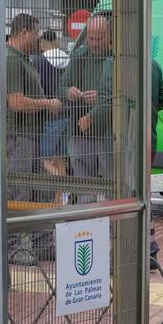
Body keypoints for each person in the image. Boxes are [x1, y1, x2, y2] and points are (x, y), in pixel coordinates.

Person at [86, 55, 163, 269]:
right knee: (142, 193)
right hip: (148, 139)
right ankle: (149, 251)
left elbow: (106, 102)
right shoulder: (153, 64)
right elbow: (162, 100)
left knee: (120, 195)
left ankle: (119, 252)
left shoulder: (112, 63)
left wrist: (89, 118)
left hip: (121, 142)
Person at [5, 13, 62, 264]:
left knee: (41, 187)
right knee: (20, 192)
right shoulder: (11, 60)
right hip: (19, 137)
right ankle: (13, 247)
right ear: (24, 32)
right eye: (36, 33)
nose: (39, 38)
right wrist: (47, 103)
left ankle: (42, 242)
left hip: (32, 136)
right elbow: (16, 102)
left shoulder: (23, 59)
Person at [60, 15, 112, 202]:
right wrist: (69, 92)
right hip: (81, 132)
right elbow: (61, 87)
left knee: (111, 184)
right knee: (84, 187)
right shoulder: (79, 56)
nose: (94, 43)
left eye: (99, 39)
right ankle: (86, 225)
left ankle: (114, 227)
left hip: (108, 133)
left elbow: (120, 95)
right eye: (91, 38)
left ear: (109, 37)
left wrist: (101, 97)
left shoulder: (114, 59)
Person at [34, 30, 71, 204]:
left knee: (42, 158)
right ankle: (59, 199)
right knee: (59, 157)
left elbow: (37, 86)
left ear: (42, 42)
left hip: (49, 114)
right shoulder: (67, 59)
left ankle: (64, 185)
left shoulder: (40, 61)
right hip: (67, 114)